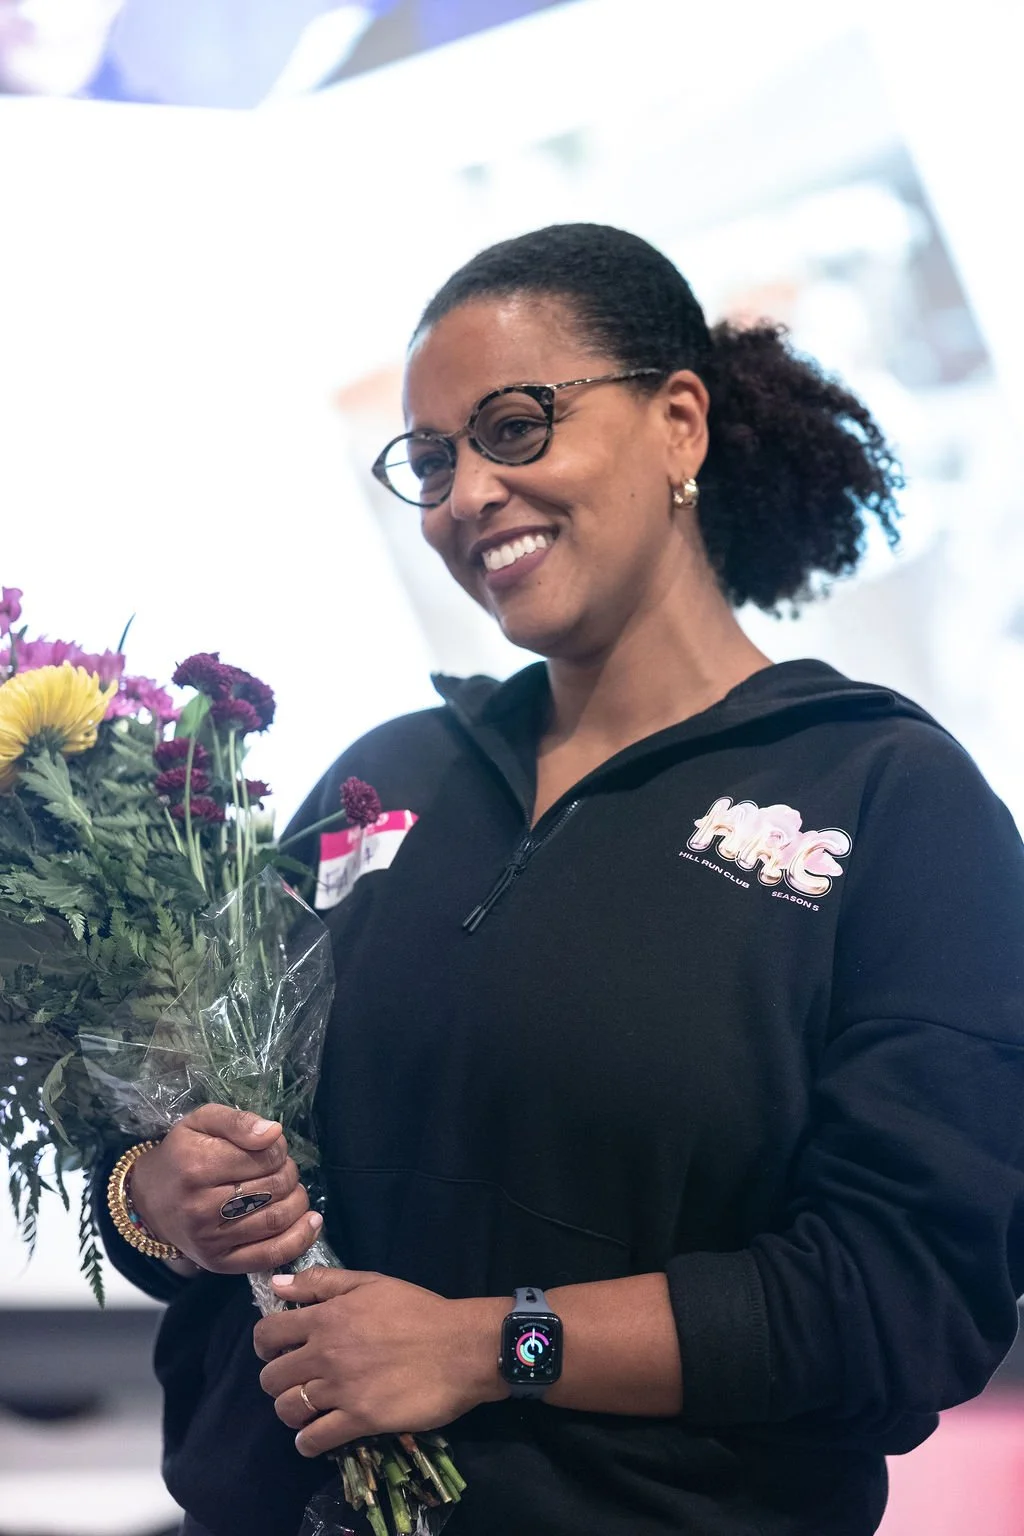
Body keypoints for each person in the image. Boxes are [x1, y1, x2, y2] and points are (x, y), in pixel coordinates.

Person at [98, 223, 1024, 1536]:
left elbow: (903, 1299)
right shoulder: (387, 776)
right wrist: (159, 1200)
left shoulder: (895, 805)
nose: (467, 494)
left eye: (516, 427)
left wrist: (489, 1345)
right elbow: (158, 1141)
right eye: (430, 460)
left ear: (680, 424)